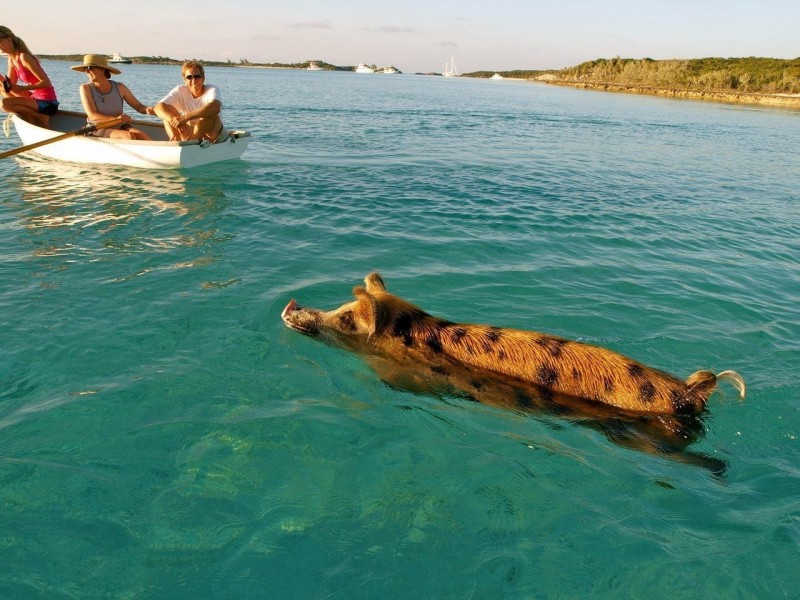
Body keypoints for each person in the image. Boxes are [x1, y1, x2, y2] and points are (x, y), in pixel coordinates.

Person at [72, 54, 154, 140]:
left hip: (119, 124)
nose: (87, 72)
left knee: (142, 136)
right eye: (85, 69)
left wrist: (149, 110)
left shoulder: (120, 87)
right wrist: (116, 119)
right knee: (128, 136)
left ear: (102, 69)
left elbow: (138, 106)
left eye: (89, 68)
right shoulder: (85, 88)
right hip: (98, 127)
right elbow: (92, 115)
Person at [0, 25, 59, 128]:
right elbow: (10, 87)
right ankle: (31, 116)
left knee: (4, 104)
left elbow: (46, 83)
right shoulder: (11, 59)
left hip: (47, 102)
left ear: (8, 40)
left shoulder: (24, 57)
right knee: (2, 90)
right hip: (34, 98)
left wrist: (23, 88)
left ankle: (40, 117)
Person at [154, 61, 226, 143]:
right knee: (166, 112)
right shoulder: (180, 90)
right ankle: (175, 140)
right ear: (185, 80)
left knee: (208, 114)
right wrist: (175, 120)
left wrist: (184, 118)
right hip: (190, 132)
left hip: (214, 136)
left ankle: (192, 142)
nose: (194, 80)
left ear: (203, 78)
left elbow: (215, 107)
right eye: (189, 77)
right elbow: (157, 108)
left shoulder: (212, 89)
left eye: (197, 76)